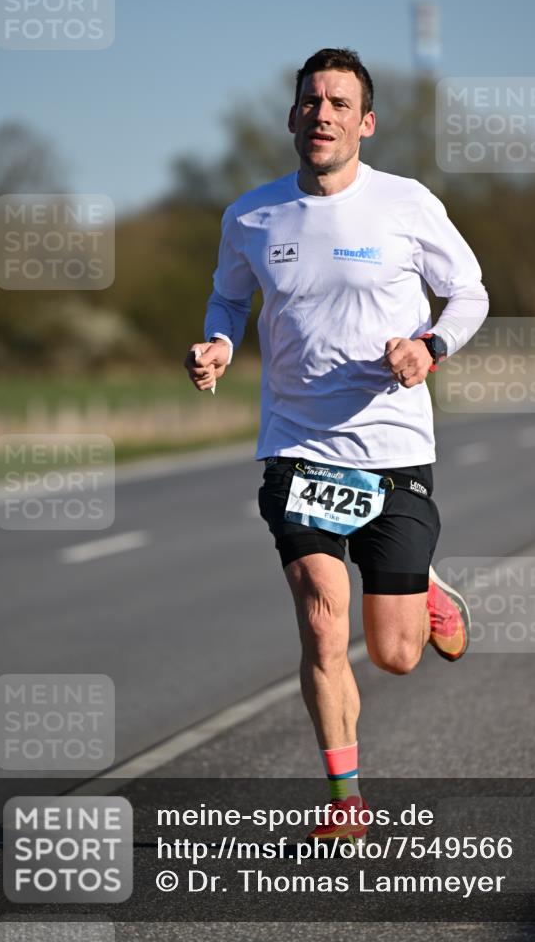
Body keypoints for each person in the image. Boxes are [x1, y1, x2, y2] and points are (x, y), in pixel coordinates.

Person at [185, 48, 489, 845]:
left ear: (366, 122)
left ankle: (423, 587)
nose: (322, 114)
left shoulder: (404, 203)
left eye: (339, 103)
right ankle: (345, 801)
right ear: (292, 117)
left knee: (394, 655)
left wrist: (429, 346)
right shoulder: (252, 215)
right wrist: (218, 343)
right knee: (323, 623)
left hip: (391, 450)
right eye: (311, 101)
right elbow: (227, 298)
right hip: (297, 447)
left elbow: (469, 291)